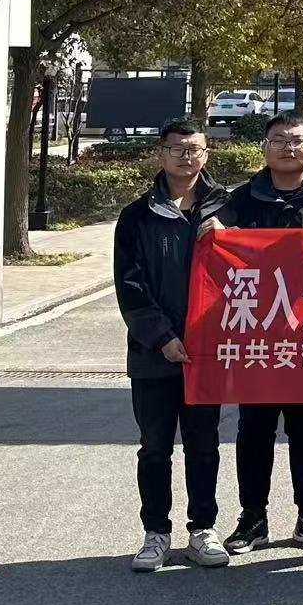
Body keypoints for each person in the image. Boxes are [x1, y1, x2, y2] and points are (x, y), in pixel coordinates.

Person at [206, 112, 303, 556]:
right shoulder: (240, 201)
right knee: (255, 428)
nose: (288, 147)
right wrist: (215, 232)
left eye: (297, 140)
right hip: (258, 335)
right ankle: (252, 516)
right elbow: (213, 254)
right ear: (264, 147)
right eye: (279, 140)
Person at [114, 119, 234, 573]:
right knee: (155, 447)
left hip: (207, 352)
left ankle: (203, 529)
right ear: (160, 154)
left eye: (194, 149)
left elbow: (255, 269)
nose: (186, 156)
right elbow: (129, 285)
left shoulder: (227, 209)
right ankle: (155, 533)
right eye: (176, 148)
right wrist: (161, 336)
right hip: (154, 355)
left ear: (207, 154)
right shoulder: (137, 215)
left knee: (204, 446)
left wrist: (231, 235)